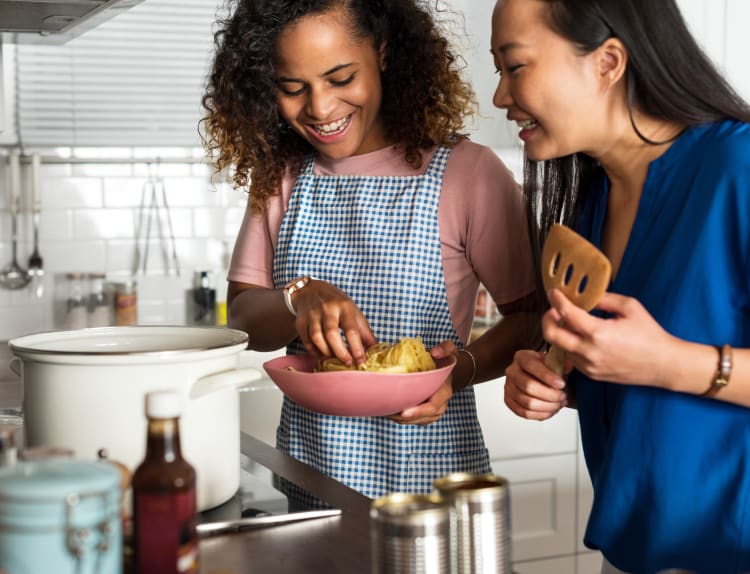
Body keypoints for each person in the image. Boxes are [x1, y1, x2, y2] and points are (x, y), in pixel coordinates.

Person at [201, 0, 540, 509]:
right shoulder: (284, 179)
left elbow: (532, 318)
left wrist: (459, 371)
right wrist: (298, 296)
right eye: (293, 88)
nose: (319, 108)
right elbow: (245, 321)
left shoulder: (468, 174)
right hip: (309, 478)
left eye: (341, 77)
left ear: (382, 51)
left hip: (428, 480)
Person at [492, 0, 750, 573]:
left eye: (516, 67)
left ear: (607, 62)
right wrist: (560, 381)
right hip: (631, 553)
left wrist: (672, 363)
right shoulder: (592, 203)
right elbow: (633, 387)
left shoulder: (739, 168)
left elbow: (663, 364)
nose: (501, 97)